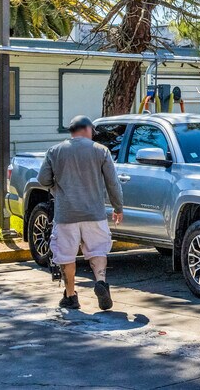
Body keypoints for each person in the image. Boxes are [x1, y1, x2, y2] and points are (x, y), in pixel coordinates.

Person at [38, 116, 124, 310]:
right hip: (94, 213)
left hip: (66, 214)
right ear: (86, 129)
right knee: (98, 250)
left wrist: (56, 187)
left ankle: (71, 296)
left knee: (66, 255)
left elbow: (43, 179)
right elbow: (113, 183)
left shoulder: (55, 151)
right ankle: (100, 282)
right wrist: (118, 207)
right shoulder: (101, 151)